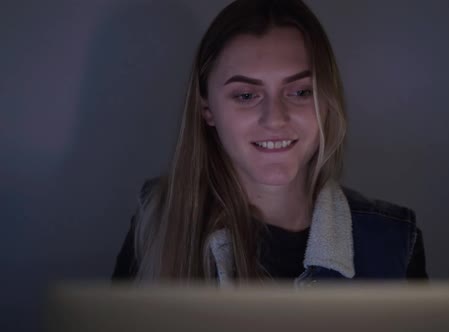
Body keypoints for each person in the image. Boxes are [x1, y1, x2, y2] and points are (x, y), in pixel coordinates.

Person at [112, 0, 427, 286]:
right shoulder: (157, 223)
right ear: (207, 109)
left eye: (300, 92)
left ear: (327, 101)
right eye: (246, 96)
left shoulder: (394, 241)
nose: (275, 119)